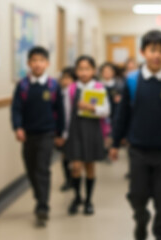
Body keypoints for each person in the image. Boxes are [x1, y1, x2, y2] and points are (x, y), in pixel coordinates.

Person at [109, 30, 161, 240]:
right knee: (137, 196)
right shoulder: (132, 81)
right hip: (137, 149)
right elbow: (122, 116)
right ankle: (141, 219)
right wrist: (114, 143)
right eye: (152, 50)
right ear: (142, 52)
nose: (157, 55)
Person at [11, 46, 65, 226]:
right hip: (28, 135)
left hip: (47, 134)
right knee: (31, 168)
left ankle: (43, 206)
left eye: (41, 60)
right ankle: (39, 195)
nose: (37, 64)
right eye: (34, 60)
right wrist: (18, 127)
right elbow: (16, 109)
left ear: (47, 64)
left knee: (42, 169)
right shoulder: (23, 85)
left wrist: (60, 132)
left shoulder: (53, 86)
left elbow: (60, 111)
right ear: (28, 63)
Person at [62, 56, 111, 216]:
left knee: (90, 166)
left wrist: (91, 108)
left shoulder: (99, 87)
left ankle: (89, 201)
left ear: (93, 70)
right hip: (75, 131)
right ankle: (77, 197)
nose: (84, 72)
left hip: (92, 130)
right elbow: (67, 113)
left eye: (87, 69)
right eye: (80, 69)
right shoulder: (71, 88)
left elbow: (106, 111)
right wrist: (65, 134)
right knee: (76, 167)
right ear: (76, 71)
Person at [58, 67, 76, 191]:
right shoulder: (59, 93)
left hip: (76, 129)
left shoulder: (76, 92)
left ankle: (75, 181)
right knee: (64, 156)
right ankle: (67, 180)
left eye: (69, 78)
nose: (66, 81)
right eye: (64, 78)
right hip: (63, 130)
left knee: (75, 158)